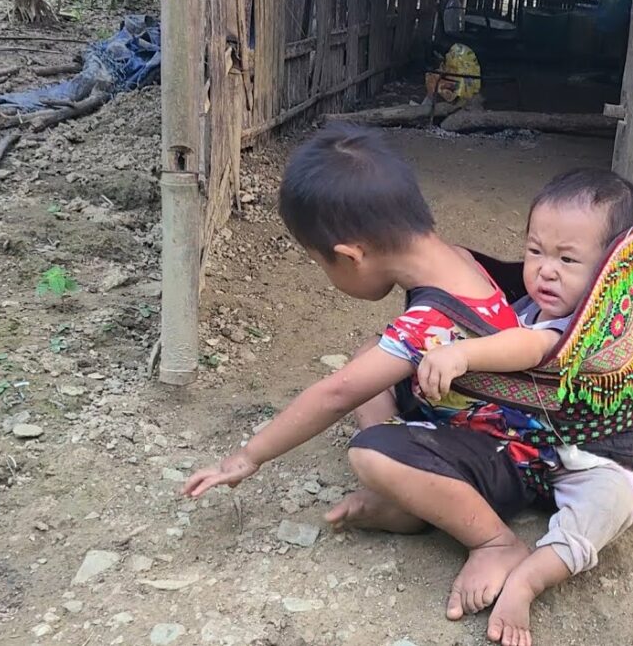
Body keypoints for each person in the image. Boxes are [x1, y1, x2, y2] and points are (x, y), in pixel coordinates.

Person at [182, 123, 538, 623]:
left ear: (351, 254)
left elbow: (337, 394)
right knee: (372, 353)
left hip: (512, 455)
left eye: (322, 264)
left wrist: (247, 457)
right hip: (490, 412)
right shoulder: (453, 259)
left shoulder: (430, 324)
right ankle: (413, 493)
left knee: (371, 454)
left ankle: (494, 541)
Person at [416, 168, 633, 646]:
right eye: (535, 251)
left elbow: (531, 348)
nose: (546, 269)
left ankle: (528, 579)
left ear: (611, 271)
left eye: (568, 259)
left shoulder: (586, 331)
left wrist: (462, 354)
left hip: (590, 455)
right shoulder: (527, 305)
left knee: (615, 500)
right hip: (520, 441)